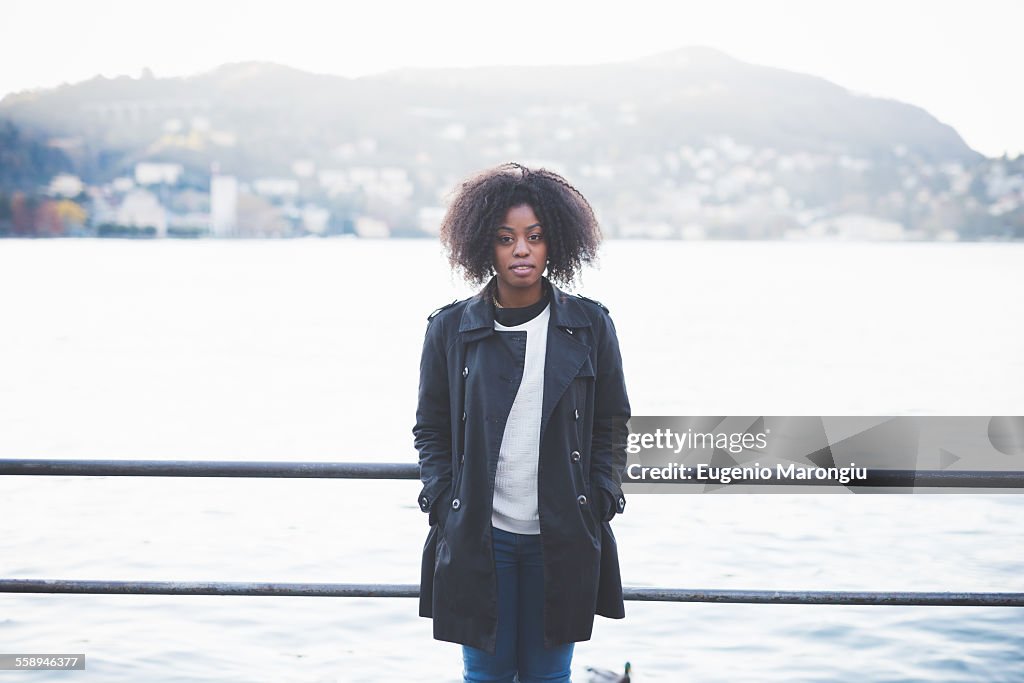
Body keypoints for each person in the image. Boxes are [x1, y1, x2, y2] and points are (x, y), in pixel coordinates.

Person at [413, 162, 631, 683]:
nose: (521, 250)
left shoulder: (590, 324)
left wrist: (601, 494)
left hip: (561, 536)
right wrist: (444, 500)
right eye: (506, 238)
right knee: (483, 677)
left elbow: (612, 423)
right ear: (483, 246)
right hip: (479, 536)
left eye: (534, 237)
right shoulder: (450, 329)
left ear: (553, 242)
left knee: (550, 676)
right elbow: (431, 429)